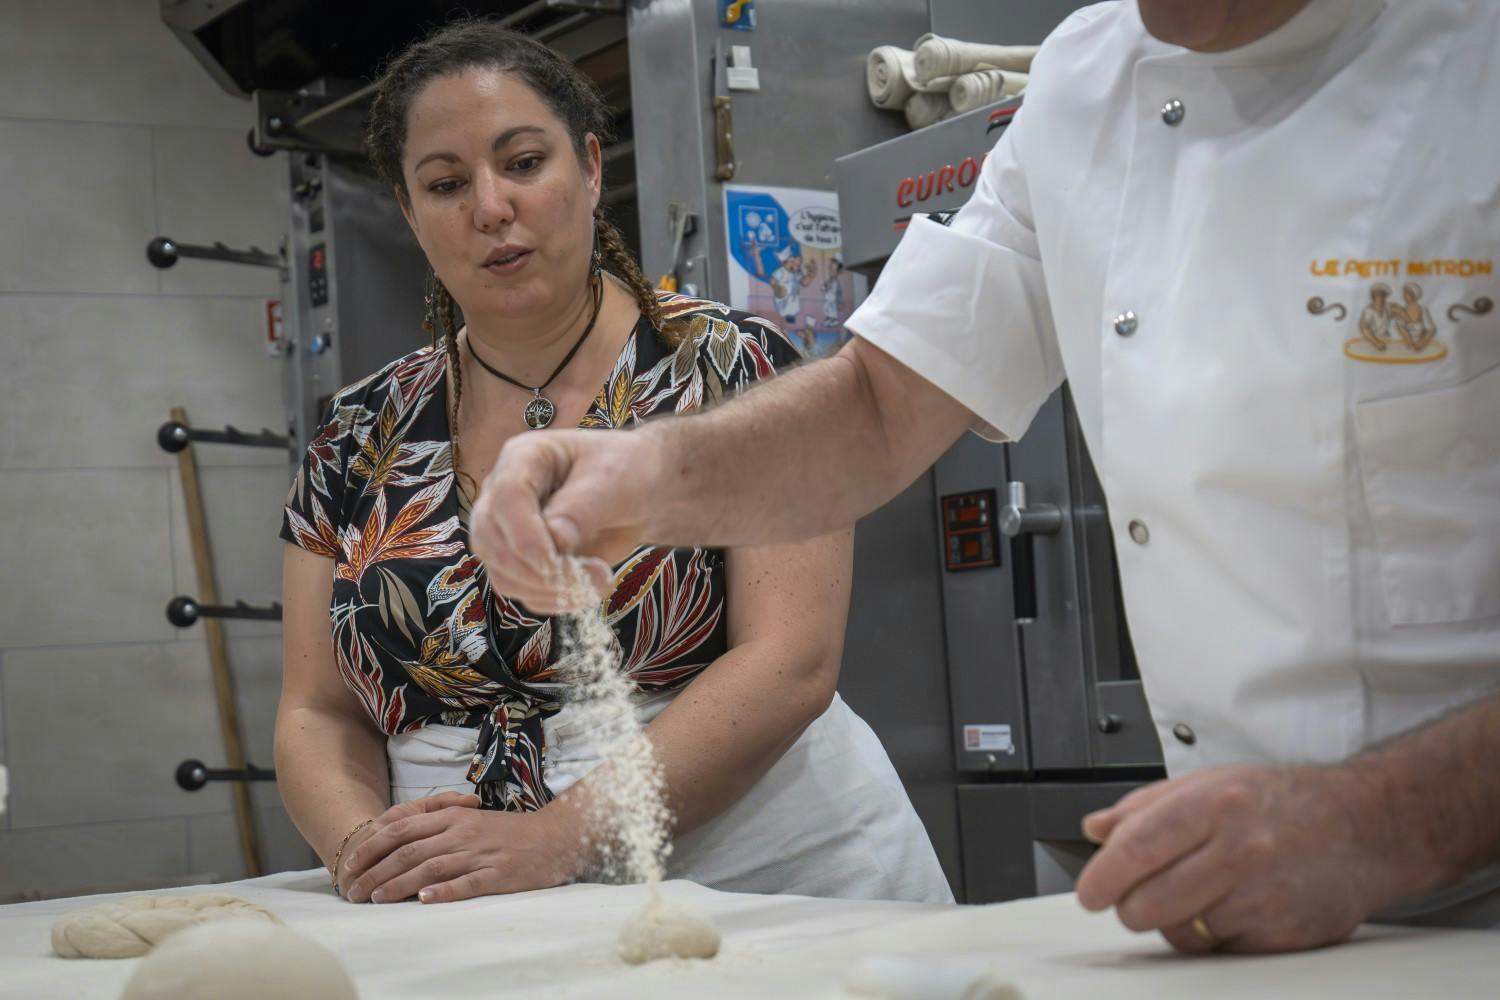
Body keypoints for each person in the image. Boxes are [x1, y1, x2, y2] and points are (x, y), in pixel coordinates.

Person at [469, 0, 1500, 955]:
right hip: (1263, 906)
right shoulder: (1086, 83)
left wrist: (1385, 819)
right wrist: (643, 473)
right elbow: (879, 406)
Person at [274, 21, 951, 909]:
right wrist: (368, 850)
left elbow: (790, 661)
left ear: (591, 168)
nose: (489, 207)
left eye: (522, 163)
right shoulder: (358, 434)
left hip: (762, 869)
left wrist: (556, 837)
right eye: (445, 183)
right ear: (409, 212)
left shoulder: (734, 370)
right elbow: (317, 711)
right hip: (471, 898)